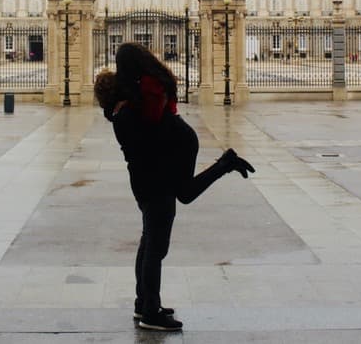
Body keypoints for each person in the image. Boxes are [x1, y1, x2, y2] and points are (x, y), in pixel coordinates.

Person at [94, 44, 254, 332]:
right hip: (154, 180)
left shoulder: (129, 107)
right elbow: (149, 141)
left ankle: (144, 302)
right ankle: (150, 313)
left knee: (151, 241)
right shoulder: (129, 111)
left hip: (151, 179)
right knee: (155, 247)